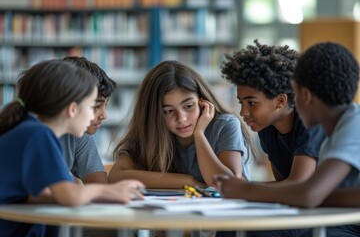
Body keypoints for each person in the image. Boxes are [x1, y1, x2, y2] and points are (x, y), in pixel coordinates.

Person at [214, 42, 360, 236]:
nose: (293, 102)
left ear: (305, 95)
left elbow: (308, 194)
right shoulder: (338, 127)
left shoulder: (352, 126)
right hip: (334, 218)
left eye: (295, 93)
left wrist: (246, 190)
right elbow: (310, 192)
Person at [0, 60, 144, 237]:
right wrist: (111, 191)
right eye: (92, 107)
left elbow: (35, 195)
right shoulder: (40, 135)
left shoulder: (28, 129)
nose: (99, 115)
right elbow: (70, 197)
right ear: (73, 109)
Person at [108, 60, 258, 188]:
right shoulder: (151, 132)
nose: (182, 119)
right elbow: (115, 176)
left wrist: (199, 135)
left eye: (188, 106)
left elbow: (229, 183)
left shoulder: (225, 125)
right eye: (168, 111)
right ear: (154, 114)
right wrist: (188, 181)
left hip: (228, 218)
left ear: (202, 101)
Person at [220, 39, 326, 185]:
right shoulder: (266, 127)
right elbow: (282, 183)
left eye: (252, 103)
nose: (243, 112)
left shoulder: (312, 121)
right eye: (241, 102)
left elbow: (297, 186)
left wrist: (240, 188)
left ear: (280, 101)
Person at [60, 56, 117, 184]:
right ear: (71, 105)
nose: (104, 115)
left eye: (105, 105)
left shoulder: (79, 131)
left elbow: (99, 183)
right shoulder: (37, 133)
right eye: (96, 106)